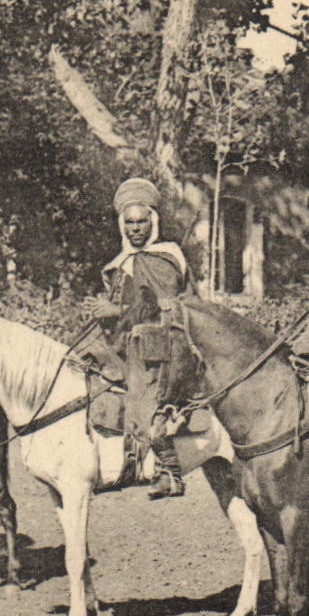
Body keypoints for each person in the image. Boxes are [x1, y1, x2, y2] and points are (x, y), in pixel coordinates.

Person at [83, 177, 191, 498]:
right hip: (127, 344)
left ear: (152, 221)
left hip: (161, 346)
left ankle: (169, 470)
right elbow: (124, 305)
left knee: (148, 403)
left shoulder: (164, 258)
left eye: (141, 221)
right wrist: (101, 310)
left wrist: (115, 311)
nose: (135, 229)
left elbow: (163, 309)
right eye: (129, 223)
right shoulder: (122, 262)